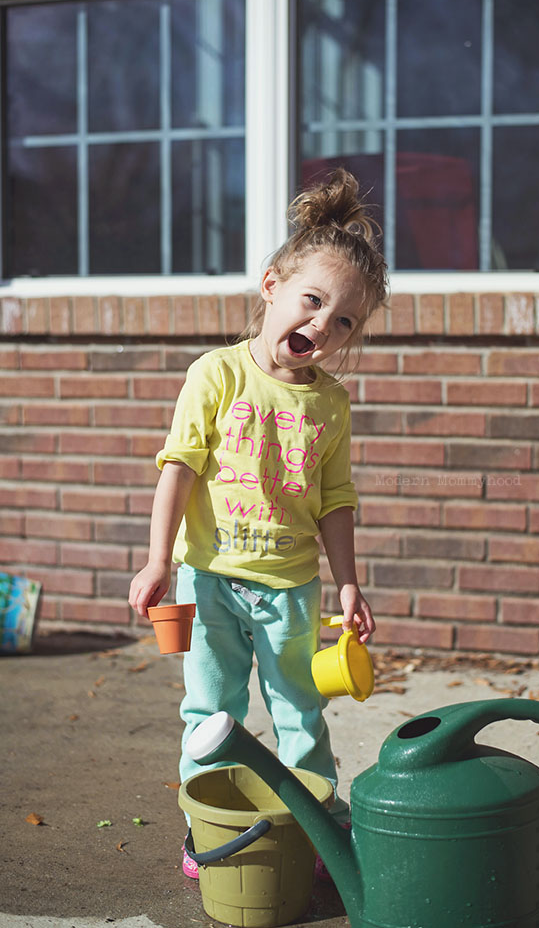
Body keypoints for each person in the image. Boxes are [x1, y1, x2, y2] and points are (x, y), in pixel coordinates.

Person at [128, 168, 389, 878]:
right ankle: (203, 825)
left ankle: (315, 820)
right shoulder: (215, 375)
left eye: (345, 321)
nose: (322, 327)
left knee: (300, 712)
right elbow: (177, 469)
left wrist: (348, 584)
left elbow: (336, 499)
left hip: (291, 588)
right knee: (209, 710)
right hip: (209, 580)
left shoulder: (331, 404)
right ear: (272, 285)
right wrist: (157, 562)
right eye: (312, 302)